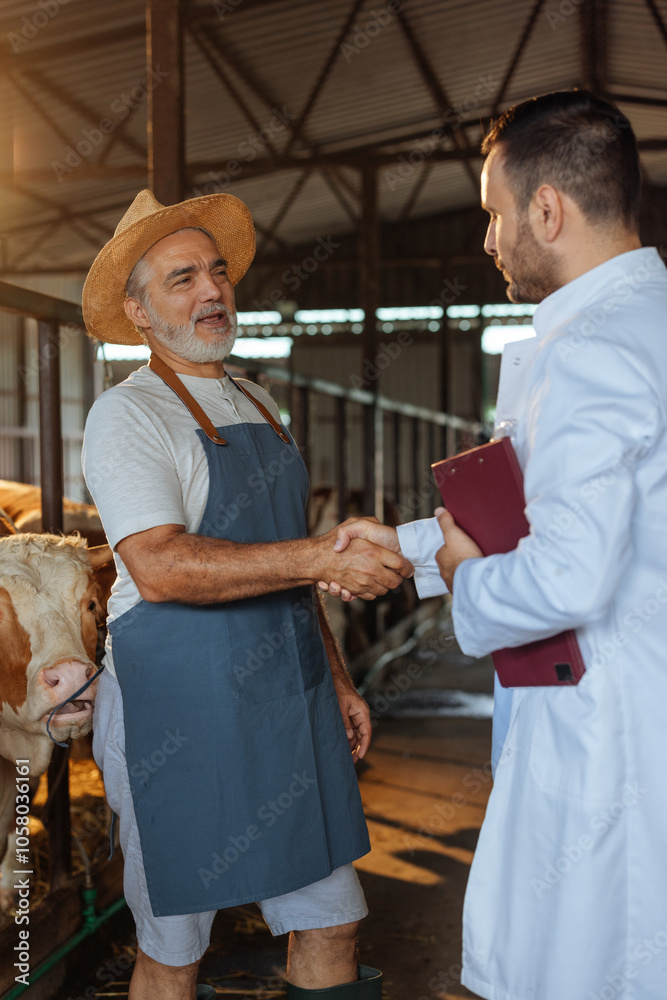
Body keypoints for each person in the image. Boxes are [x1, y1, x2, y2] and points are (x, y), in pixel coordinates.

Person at [325, 90, 667, 1000]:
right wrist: (403, 543)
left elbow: (563, 573)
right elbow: (542, 502)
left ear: (546, 209)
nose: (488, 240)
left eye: (494, 213)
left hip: (604, 726)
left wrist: (463, 581)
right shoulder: (649, 323)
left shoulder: (589, 347)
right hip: (640, 704)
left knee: (586, 966)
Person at [81, 188, 413, 1000]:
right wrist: (318, 553)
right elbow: (158, 566)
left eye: (218, 273)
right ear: (138, 309)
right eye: (181, 278)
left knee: (331, 919)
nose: (211, 291)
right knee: (175, 945)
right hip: (179, 711)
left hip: (281, 699)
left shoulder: (259, 401)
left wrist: (334, 677)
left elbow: (289, 565)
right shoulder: (127, 415)